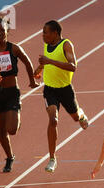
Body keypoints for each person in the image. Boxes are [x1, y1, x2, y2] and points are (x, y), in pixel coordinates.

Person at [0, 16, 39, 172]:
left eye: (2, 30)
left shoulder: (14, 48)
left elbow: (27, 62)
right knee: (0, 130)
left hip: (12, 92)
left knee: (12, 129)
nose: (0, 33)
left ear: (7, 31)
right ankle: (10, 157)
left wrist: (32, 81)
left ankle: (16, 113)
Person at [34, 20, 89, 173]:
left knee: (76, 117)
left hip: (65, 89)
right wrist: (39, 68)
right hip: (49, 89)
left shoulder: (66, 44)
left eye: (45, 32)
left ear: (55, 33)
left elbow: (73, 66)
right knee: (53, 120)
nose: (43, 35)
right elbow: (46, 61)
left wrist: (49, 61)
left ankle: (81, 114)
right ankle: (52, 158)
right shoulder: (47, 45)